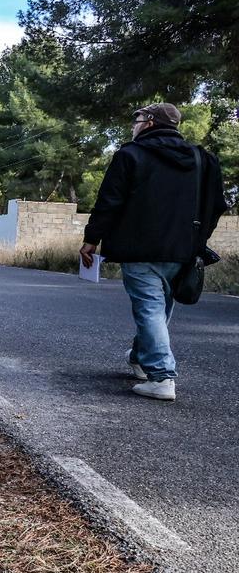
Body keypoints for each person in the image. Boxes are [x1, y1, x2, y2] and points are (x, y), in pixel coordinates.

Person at [80, 103, 226, 402]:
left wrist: (92, 239)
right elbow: (216, 206)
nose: (133, 125)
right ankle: (140, 359)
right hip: (182, 251)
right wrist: (198, 240)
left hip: (140, 250)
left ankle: (162, 377)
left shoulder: (130, 155)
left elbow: (109, 201)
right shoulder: (201, 158)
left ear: (149, 122)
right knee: (158, 312)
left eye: (136, 119)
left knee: (149, 310)